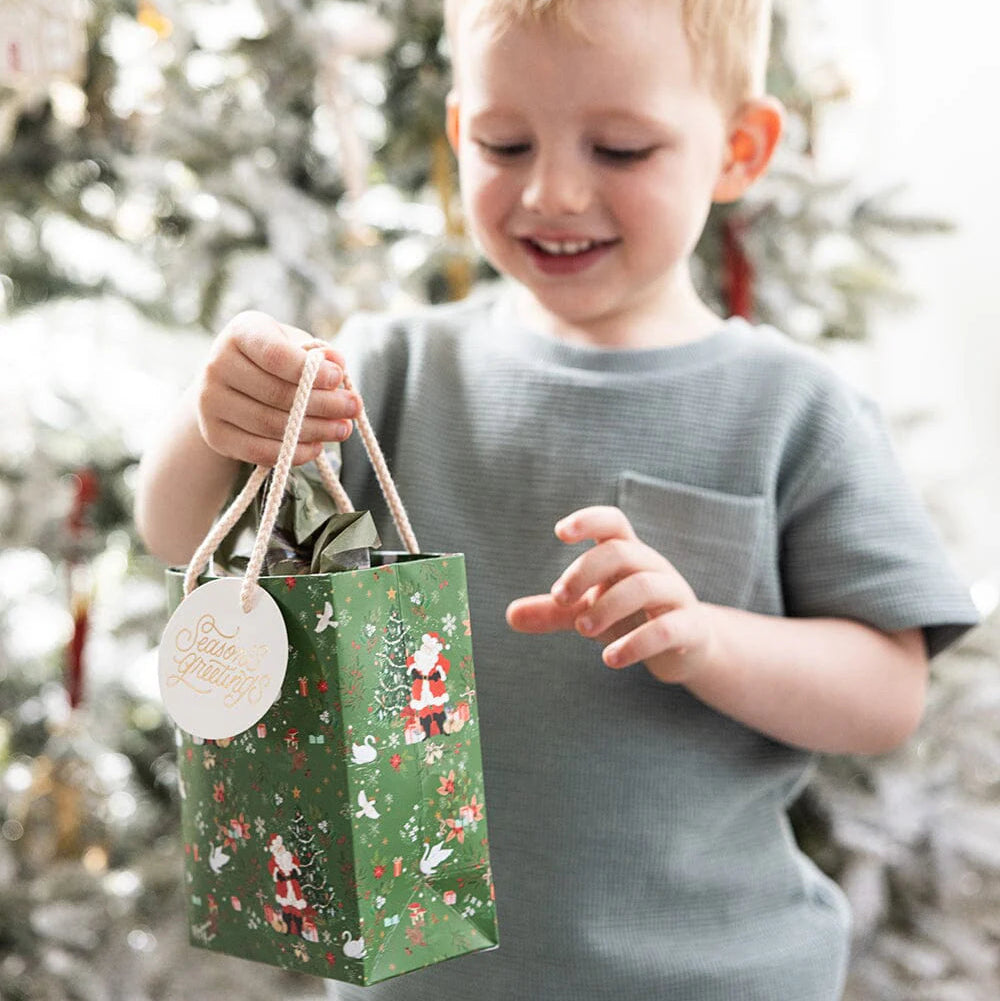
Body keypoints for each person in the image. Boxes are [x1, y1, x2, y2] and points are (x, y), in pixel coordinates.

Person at [135, 0, 980, 997]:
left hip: (715, 978)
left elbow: (887, 693)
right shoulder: (390, 372)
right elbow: (180, 533)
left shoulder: (794, 410)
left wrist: (709, 640)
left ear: (739, 149)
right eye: (505, 144)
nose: (553, 191)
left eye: (620, 149)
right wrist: (214, 418)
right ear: (459, 131)